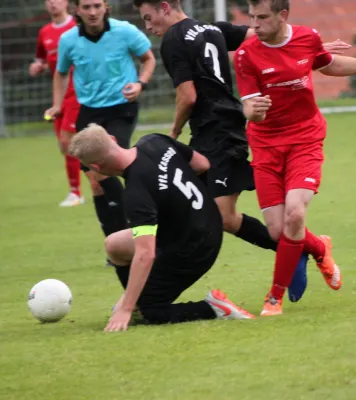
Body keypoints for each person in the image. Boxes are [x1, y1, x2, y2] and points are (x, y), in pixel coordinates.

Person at [132, 0, 351, 303]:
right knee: (222, 216)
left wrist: (172, 132)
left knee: (216, 215)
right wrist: (305, 47)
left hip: (217, 133)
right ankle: (301, 245)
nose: (148, 26)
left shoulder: (174, 38)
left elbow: (188, 95)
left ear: (165, 7)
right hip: (226, 127)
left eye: (148, 17)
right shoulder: (213, 29)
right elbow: (266, 36)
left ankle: (298, 246)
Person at [234, 0, 356, 316]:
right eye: (251, 17)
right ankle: (319, 247)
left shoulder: (308, 37)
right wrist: (251, 112)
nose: (254, 25)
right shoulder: (246, 54)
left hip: (305, 140)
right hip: (267, 146)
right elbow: (248, 105)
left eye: (262, 17)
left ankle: (274, 298)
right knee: (276, 231)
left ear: (282, 16)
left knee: (295, 215)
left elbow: (329, 65)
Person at [68, 124, 255, 332]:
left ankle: (212, 307)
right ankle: (138, 300)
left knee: (153, 311)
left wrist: (125, 309)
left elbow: (145, 254)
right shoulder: (154, 141)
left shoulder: (135, 193)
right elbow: (202, 164)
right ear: (112, 139)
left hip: (194, 249)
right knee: (115, 245)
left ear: (96, 167)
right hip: (208, 221)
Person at [46, 0, 156, 270]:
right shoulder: (69, 40)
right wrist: (58, 104)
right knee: (95, 182)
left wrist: (140, 84)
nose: (93, 12)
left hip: (121, 109)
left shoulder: (125, 31)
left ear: (106, 7)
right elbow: (60, 74)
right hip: (89, 112)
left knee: (107, 171)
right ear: (77, 10)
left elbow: (148, 58)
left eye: (97, 5)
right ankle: (115, 244)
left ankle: (135, 232)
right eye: (87, 7)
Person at [30, 0, 83, 207]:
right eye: (48, 0)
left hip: (79, 94)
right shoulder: (45, 32)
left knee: (67, 142)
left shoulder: (77, 28)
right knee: (66, 146)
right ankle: (80, 189)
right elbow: (41, 59)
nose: (52, 3)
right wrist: (37, 66)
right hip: (59, 96)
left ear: (67, 3)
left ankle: (77, 193)